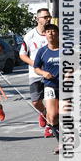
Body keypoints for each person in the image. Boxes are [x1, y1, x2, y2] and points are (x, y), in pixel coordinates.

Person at [20, 8, 53, 137]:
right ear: (37, 19)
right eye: (44, 17)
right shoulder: (29, 36)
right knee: (35, 102)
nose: (47, 19)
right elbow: (22, 55)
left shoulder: (53, 33)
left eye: (48, 16)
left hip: (51, 74)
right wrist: (35, 64)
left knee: (51, 100)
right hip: (35, 74)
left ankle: (50, 127)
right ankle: (44, 113)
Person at [33, 23, 60, 152]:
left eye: (53, 31)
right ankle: (61, 142)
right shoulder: (42, 51)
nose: (50, 33)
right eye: (48, 31)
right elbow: (36, 68)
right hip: (50, 86)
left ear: (58, 33)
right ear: (45, 34)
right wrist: (44, 73)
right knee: (52, 116)